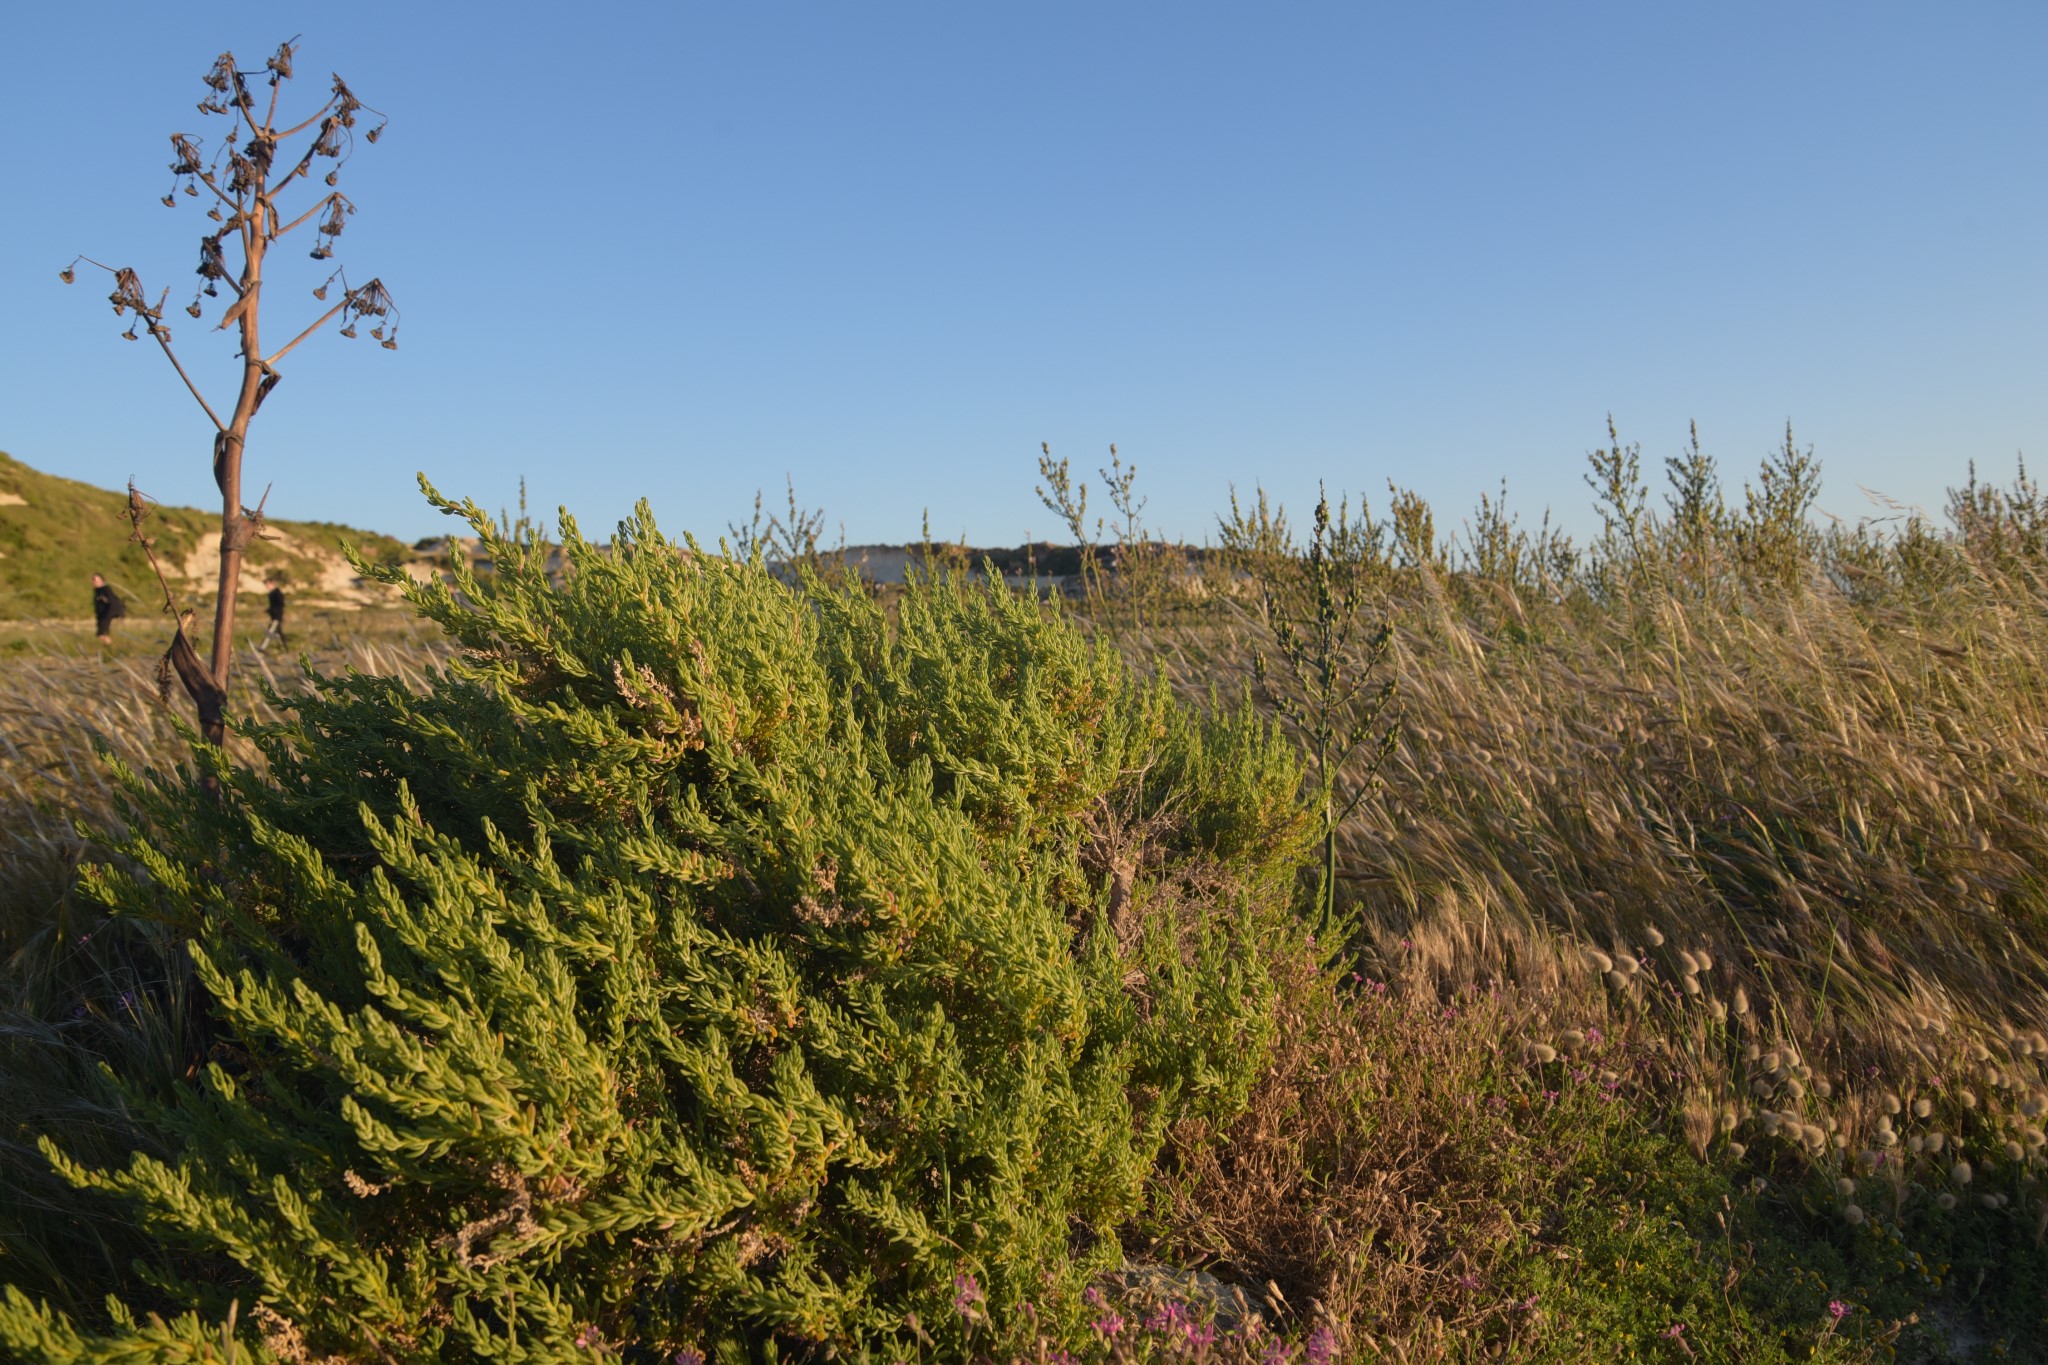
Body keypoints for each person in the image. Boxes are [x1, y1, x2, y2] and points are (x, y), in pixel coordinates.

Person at [91, 573, 125, 644]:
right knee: (101, 635)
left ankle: (110, 649)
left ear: (102, 581)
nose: (95, 582)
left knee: (102, 635)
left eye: (97, 580)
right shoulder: (97, 591)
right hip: (101, 615)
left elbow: (113, 602)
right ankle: (107, 650)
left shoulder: (105, 589)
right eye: (94, 580)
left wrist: (109, 614)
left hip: (106, 615)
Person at [258, 578, 288, 652]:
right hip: (274, 616)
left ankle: (263, 647)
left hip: (276, 616)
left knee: (270, 632)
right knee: (279, 633)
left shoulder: (277, 593)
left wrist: (273, 610)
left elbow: (280, 604)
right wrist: (269, 610)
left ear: (272, 584)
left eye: (267, 584)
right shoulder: (272, 593)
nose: (266, 586)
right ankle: (284, 648)